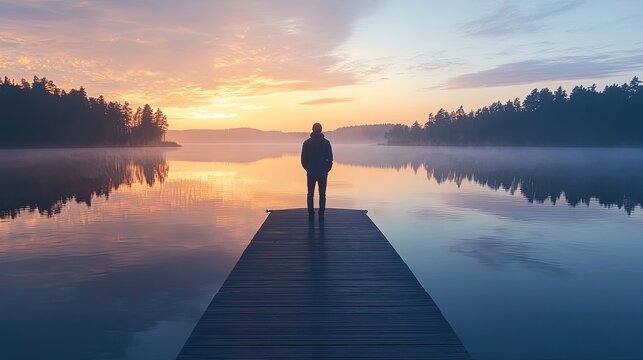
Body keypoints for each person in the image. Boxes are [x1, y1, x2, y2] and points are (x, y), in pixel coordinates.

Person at [301, 122, 333, 222]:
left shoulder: (307, 143)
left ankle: (311, 213)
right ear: (321, 130)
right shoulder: (326, 143)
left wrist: (308, 168)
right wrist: (326, 169)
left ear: (312, 129)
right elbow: (330, 159)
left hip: (311, 172)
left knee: (310, 194)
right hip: (322, 172)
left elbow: (303, 159)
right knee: (322, 194)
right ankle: (321, 213)